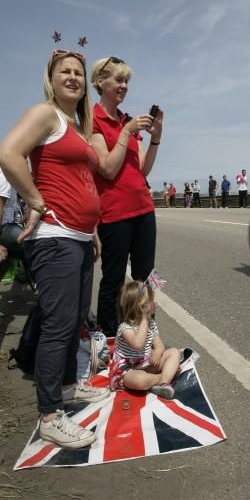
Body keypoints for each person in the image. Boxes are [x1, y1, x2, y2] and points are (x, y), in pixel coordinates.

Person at [0, 49, 109, 449]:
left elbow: (82, 179)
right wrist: (36, 200)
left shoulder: (76, 128)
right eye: (66, 72)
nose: (75, 78)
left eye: (79, 72)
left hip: (78, 238)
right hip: (54, 238)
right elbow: (8, 154)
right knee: (59, 326)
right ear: (52, 78)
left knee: (76, 318)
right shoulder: (45, 114)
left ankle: (66, 387)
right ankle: (49, 415)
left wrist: (91, 228)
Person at [90, 56, 161, 339]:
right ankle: (109, 336)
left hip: (144, 208)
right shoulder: (94, 120)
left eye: (126, 81)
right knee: (114, 279)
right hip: (114, 213)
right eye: (118, 80)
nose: (123, 86)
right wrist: (125, 132)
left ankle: (145, 327)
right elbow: (106, 168)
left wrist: (155, 138)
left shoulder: (127, 121)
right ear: (100, 82)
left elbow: (143, 168)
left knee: (147, 276)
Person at [109, 281, 180, 399]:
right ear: (141, 307)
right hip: (127, 369)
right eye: (151, 301)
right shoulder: (125, 327)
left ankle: (163, 384)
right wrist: (144, 319)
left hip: (146, 364)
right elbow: (137, 344)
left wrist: (157, 352)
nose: (155, 303)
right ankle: (162, 377)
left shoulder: (150, 323)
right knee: (140, 380)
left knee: (174, 352)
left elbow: (159, 344)